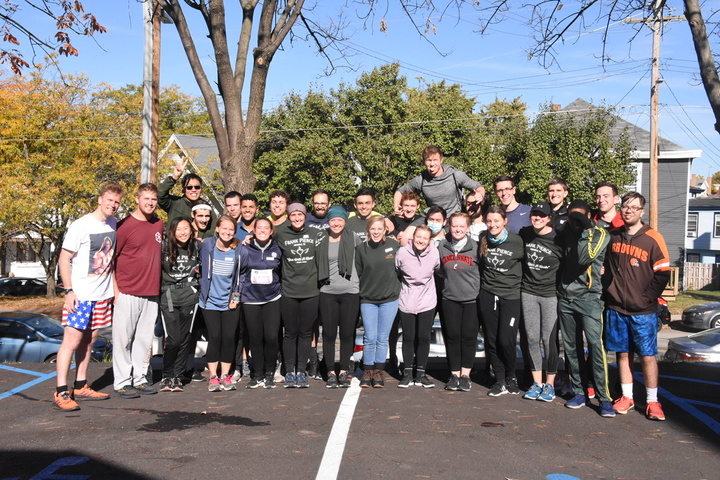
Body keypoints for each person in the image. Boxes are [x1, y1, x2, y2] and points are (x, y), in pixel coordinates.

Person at [54, 181, 124, 411]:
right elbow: (64, 259)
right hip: (81, 296)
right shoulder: (80, 225)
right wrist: (68, 291)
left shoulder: (113, 224)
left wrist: (114, 290)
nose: (112, 205)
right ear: (100, 199)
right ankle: (61, 391)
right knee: (71, 341)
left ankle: (81, 384)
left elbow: (110, 262)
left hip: (102, 296)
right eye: (109, 200)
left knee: (90, 340)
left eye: (116, 202)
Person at [603, 192, 671, 421]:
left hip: (643, 311)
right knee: (623, 354)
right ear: (620, 209)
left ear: (642, 211)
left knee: (648, 356)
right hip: (616, 308)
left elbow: (662, 273)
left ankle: (652, 401)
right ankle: (627, 397)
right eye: (625, 206)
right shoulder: (613, 236)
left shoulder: (652, 237)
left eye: (634, 207)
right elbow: (605, 268)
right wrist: (608, 290)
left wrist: (647, 298)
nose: (628, 210)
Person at [557, 199, 615, 417]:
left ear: (589, 215)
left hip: (589, 299)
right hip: (566, 298)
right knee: (571, 349)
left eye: (580, 216)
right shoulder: (565, 231)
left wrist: (586, 228)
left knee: (595, 347)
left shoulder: (600, 233)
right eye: (573, 216)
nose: (575, 221)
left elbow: (584, 257)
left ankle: (604, 398)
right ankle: (580, 391)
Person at [112, 183, 164, 398]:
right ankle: (122, 382)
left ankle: (140, 378)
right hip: (127, 291)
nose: (150, 203)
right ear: (137, 199)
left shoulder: (158, 224)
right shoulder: (124, 226)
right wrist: (116, 292)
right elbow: (110, 260)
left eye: (153, 199)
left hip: (151, 293)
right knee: (123, 340)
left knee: (144, 340)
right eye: (146, 199)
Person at [275, 203, 323, 388]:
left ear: (305, 216)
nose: (296, 218)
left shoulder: (314, 234)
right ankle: (289, 372)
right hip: (289, 291)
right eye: (293, 215)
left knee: (305, 333)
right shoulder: (281, 234)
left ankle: (301, 372)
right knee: (290, 333)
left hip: (311, 291)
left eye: (300, 215)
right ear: (289, 216)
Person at [519, 202, 563, 403]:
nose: (537, 218)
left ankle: (550, 384)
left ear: (549, 218)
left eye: (541, 216)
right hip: (528, 292)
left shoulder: (558, 238)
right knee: (531, 338)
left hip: (550, 294)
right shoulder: (525, 233)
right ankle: (536, 382)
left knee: (548, 339)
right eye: (534, 215)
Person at [478, 206, 524, 397]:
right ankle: (499, 379)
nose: (492, 224)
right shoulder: (483, 238)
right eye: (489, 221)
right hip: (488, 294)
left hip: (511, 296)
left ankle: (511, 376)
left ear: (505, 221)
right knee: (491, 340)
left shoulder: (517, 240)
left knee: (506, 340)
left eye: (496, 221)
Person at [316, 206, 361, 388]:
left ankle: (343, 369)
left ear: (345, 222)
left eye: (340, 220)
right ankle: (330, 370)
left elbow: (365, 257)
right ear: (328, 222)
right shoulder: (321, 239)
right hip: (327, 292)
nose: (336, 223)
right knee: (328, 334)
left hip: (350, 291)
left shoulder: (354, 238)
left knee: (347, 333)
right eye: (333, 220)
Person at [356, 215, 401, 388]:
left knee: (382, 338)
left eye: (379, 229)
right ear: (368, 230)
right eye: (373, 229)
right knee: (370, 337)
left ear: (385, 230)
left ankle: (379, 372)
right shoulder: (361, 249)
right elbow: (358, 273)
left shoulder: (394, 246)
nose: (376, 232)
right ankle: (368, 371)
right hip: (368, 299)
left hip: (389, 299)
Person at [199, 215, 242, 392]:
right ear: (217, 229)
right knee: (215, 337)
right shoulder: (207, 245)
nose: (227, 232)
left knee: (229, 338)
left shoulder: (238, 249)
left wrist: (236, 298)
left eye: (231, 230)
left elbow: (242, 277)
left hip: (230, 302)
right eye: (224, 228)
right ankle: (213, 376)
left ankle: (225, 375)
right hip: (210, 302)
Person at [238, 218, 283, 389]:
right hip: (250, 299)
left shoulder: (278, 248)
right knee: (255, 338)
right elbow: (240, 272)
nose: (263, 230)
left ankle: (270, 372)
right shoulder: (245, 247)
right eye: (259, 228)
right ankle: (257, 374)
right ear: (254, 230)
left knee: (271, 337)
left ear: (271, 231)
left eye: (266, 228)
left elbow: (282, 271)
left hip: (272, 298)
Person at [438, 212, 480, 392]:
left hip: (471, 299)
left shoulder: (476, 247)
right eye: (455, 226)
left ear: (468, 228)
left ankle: (465, 376)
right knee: (452, 337)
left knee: (468, 338)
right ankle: (454, 374)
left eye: (462, 226)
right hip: (450, 299)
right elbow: (439, 270)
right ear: (449, 226)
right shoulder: (442, 246)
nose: (458, 229)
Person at [159, 217, 201, 393]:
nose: (183, 232)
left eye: (186, 228)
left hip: (189, 297)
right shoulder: (163, 247)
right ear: (172, 231)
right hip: (168, 297)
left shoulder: (197, 247)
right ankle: (166, 374)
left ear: (191, 230)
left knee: (185, 339)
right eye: (179, 229)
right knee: (173, 339)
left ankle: (177, 375)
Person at [395, 225, 441, 388]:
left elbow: (438, 270)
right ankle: (407, 373)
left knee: (423, 337)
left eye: (425, 238)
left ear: (429, 241)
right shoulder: (402, 253)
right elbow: (397, 271)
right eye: (419, 237)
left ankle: (421, 373)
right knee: (408, 337)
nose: (421, 240)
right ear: (413, 237)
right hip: (407, 300)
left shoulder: (435, 253)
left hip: (427, 300)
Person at [394, 145, 485, 215]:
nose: (432, 164)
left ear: (441, 160)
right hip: (434, 218)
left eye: (435, 160)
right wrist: (396, 205)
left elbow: (478, 187)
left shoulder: (455, 175)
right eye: (429, 160)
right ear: (424, 162)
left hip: (455, 218)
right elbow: (399, 192)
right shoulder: (420, 180)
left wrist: (480, 194)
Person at [159, 157, 212, 223]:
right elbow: (159, 195)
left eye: (197, 187)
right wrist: (174, 177)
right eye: (189, 187)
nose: (193, 190)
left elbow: (211, 229)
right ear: (183, 190)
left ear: (201, 189)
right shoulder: (174, 203)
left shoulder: (206, 207)